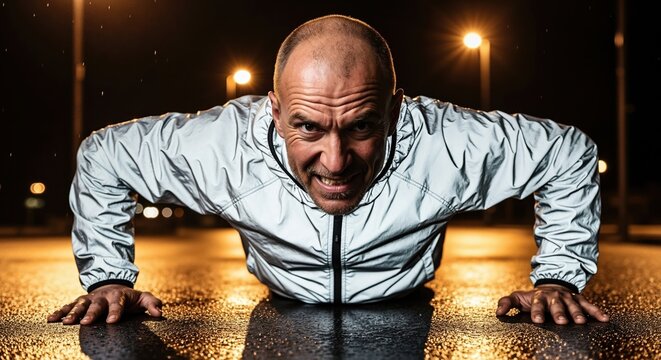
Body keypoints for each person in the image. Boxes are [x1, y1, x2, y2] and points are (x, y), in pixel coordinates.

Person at [47, 14, 609, 326]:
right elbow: (105, 156)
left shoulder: (445, 144)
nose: (335, 163)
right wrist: (109, 278)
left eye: (362, 126)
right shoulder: (221, 147)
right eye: (308, 128)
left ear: (393, 109)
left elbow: (568, 153)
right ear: (272, 110)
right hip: (284, 304)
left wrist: (557, 277)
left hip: (403, 302)